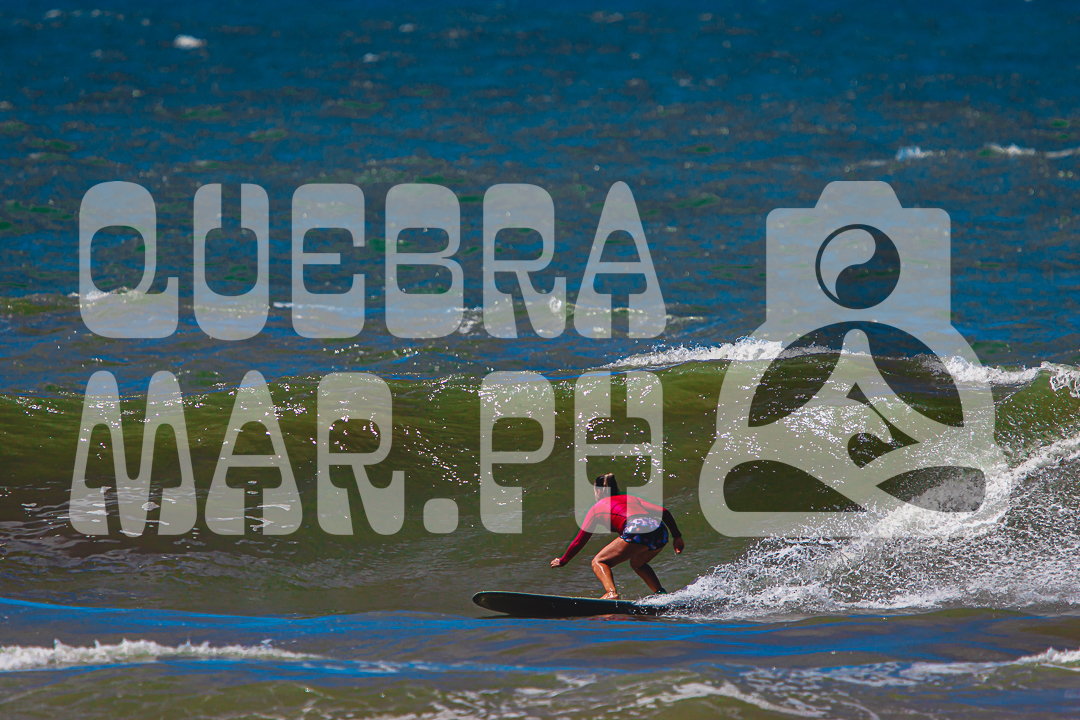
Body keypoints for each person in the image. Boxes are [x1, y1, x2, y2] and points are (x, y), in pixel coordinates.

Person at [550, 473, 685, 599]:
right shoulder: (630, 498)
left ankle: (611, 593)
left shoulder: (596, 509)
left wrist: (563, 560)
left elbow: (579, 541)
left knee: (599, 561)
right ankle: (661, 594)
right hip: (660, 530)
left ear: (599, 491)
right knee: (637, 563)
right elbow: (663, 511)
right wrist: (677, 537)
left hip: (636, 527)